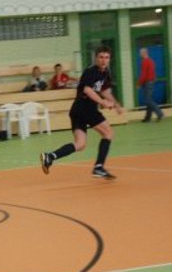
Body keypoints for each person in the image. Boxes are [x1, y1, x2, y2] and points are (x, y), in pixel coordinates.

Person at [40, 46, 124, 180]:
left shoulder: (105, 72)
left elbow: (105, 91)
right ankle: (99, 167)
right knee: (108, 133)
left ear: (110, 59)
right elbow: (87, 89)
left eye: (106, 57)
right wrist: (102, 102)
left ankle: (50, 156)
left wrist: (116, 104)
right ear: (96, 58)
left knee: (80, 144)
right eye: (101, 57)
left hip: (78, 110)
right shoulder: (91, 71)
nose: (104, 60)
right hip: (86, 108)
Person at [138, 48, 164, 123]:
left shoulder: (145, 61)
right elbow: (152, 73)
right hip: (151, 81)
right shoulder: (151, 61)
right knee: (148, 100)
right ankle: (147, 117)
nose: (139, 54)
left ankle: (159, 113)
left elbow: (143, 74)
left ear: (144, 53)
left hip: (147, 82)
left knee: (148, 100)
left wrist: (139, 83)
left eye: (140, 53)